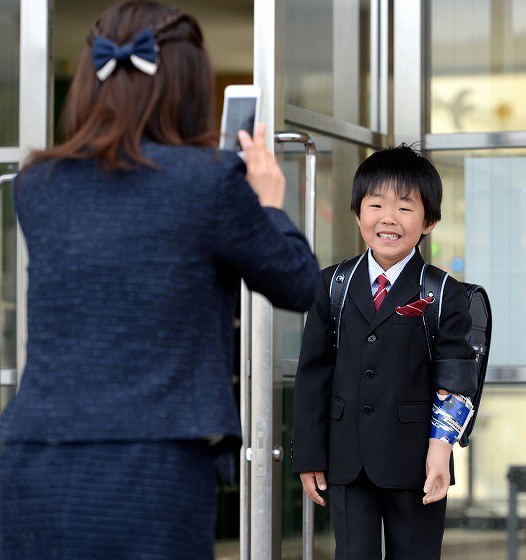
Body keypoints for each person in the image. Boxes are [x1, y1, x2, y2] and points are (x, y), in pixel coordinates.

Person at [0, 1, 320, 559]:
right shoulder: (209, 182)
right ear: (188, 85)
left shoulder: (37, 183)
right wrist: (267, 201)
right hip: (157, 463)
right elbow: (301, 284)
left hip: (35, 453)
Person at [292, 145, 478, 560]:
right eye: (376, 204)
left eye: (405, 208)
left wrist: (441, 452)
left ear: (429, 220)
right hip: (347, 458)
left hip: (416, 459)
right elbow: (313, 374)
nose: (388, 218)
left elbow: (455, 380)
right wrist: (309, 454)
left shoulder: (443, 292)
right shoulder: (332, 285)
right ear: (358, 213)